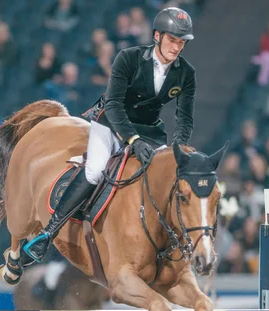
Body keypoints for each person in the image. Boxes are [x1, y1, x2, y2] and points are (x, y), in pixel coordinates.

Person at [23, 7, 196, 263]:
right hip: (112, 125)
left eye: (181, 42)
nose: (176, 47)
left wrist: (178, 149)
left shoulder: (186, 73)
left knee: (168, 178)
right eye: (172, 40)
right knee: (94, 170)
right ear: (157, 36)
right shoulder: (129, 58)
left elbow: (185, 119)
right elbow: (113, 104)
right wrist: (132, 141)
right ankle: (48, 234)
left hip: (150, 132)